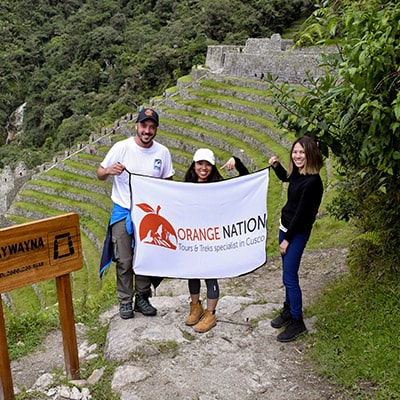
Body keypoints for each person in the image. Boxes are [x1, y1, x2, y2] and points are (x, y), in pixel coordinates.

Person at [97, 107, 175, 319]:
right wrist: (108, 171)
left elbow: (168, 182)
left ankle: (142, 297)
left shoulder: (162, 153)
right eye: (144, 126)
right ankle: (125, 301)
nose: (147, 131)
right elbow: (100, 173)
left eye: (151, 127)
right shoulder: (121, 148)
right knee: (124, 259)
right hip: (123, 210)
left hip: (149, 214)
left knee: (145, 257)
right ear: (137, 126)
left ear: (156, 129)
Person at [184, 148, 249, 333]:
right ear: (194, 165)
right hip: (193, 237)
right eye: (200, 164)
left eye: (208, 165)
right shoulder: (186, 186)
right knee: (192, 274)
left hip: (212, 238)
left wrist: (236, 160)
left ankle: (210, 313)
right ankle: (195, 306)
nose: (203, 168)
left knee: (211, 274)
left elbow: (245, 180)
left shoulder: (219, 186)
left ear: (212, 167)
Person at [268, 135, 323, 342]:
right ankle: (288, 309)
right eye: (295, 152)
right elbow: (286, 178)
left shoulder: (313, 182)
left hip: (295, 233)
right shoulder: (299, 173)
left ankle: (297, 321)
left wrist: (286, 240)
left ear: (310, 154)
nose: (297, 156)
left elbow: (302, 215)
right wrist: (276, 166)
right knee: (286, 275)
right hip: (285, 228)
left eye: (302, 152)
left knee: (290, 278)